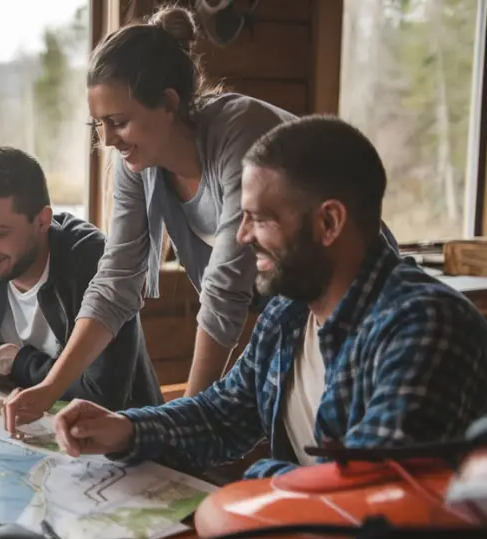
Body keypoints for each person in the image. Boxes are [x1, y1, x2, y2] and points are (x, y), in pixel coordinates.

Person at [52, 116, 487, 479]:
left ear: (328, 223)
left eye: (260, 219)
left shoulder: (426, 324)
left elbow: (365, 486)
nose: (242, 237)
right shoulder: (289, 312)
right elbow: (223, 414)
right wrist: (125, 428)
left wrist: (255, 481)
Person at [1, 5, 299, 430]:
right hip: (276, 301)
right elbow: (116, 282)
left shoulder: (242, 135)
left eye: (118, 122)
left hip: (338, 289)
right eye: (98, 124)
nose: (106, 140)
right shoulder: (136, 162)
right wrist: (48, 388)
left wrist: (187, 424)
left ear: (168, 104)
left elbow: (225, 289)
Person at [0, 146, 163, 420]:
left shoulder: (94, 260)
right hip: (24, 437)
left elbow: (101, 395)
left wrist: (20, 363)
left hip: (124, 446)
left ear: (42, 221)